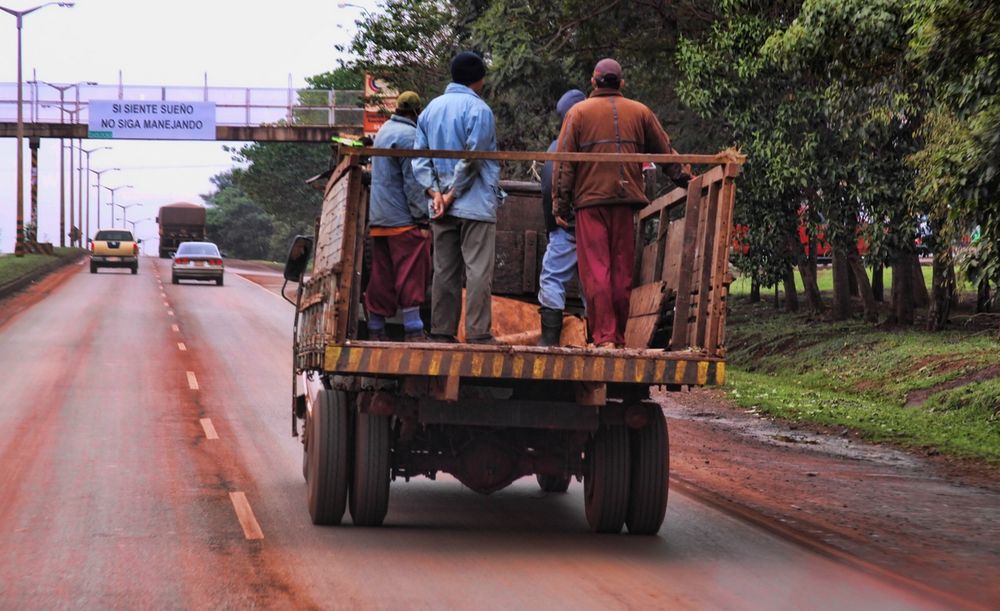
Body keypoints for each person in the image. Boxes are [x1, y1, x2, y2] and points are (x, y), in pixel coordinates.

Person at [553, 58, 691, 349]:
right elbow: (666, 153)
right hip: (625, 203)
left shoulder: (577, 114)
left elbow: (564, 165)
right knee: (621, 272)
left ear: (593, 82)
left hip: (590, 204)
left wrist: (560, 205)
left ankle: (604, 337)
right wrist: (689, 180)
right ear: (622, 84)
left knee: (597, 271)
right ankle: (618, 336)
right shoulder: (640, 112)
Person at [412, 52, 503, 344]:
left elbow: (419, 160)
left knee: (444, 270)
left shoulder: (429, 111)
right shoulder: (480, 110)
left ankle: (441, 331)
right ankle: (477, 333)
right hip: (474, 204)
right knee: (477, 271)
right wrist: (452, 194)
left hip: (439, 206)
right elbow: (473, 158)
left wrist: (436, 193)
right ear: (479, 79)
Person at [364, 91, 432, 342]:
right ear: (416, 112)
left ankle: (375, 329)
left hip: (379, 218)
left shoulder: (383, 132)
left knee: (382, 276)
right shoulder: (410, 137)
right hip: (402, 220)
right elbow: (414, 184)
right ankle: (413, 330)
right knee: (411, 273)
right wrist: (422, 219)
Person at [537, 89, 587, 346]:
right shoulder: (598, 147)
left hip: (566, 227)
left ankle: (549, 339)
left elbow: (548, 189)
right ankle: (595, 337)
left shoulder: (556, 148)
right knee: (592, 282)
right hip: (593, 227)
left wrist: (553, 225)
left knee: (552, 278)